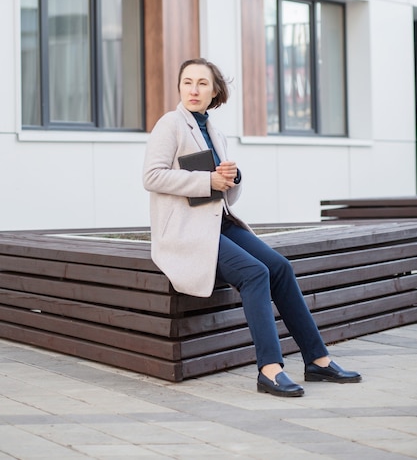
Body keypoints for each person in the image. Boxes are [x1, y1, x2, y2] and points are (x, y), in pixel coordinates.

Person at [143, 58, 361, 397]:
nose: (193, 89)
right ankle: (270, 370)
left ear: (215, 91)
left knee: (280, 268)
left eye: (202, 83)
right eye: (187, 82)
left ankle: (317, 361)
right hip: (187, 230)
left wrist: (233, 178)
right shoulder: (170, 124)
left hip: (218, 221)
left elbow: (224, 190)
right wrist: (208, 179)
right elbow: (151, 176)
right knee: (255, 272)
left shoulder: (214, 131)